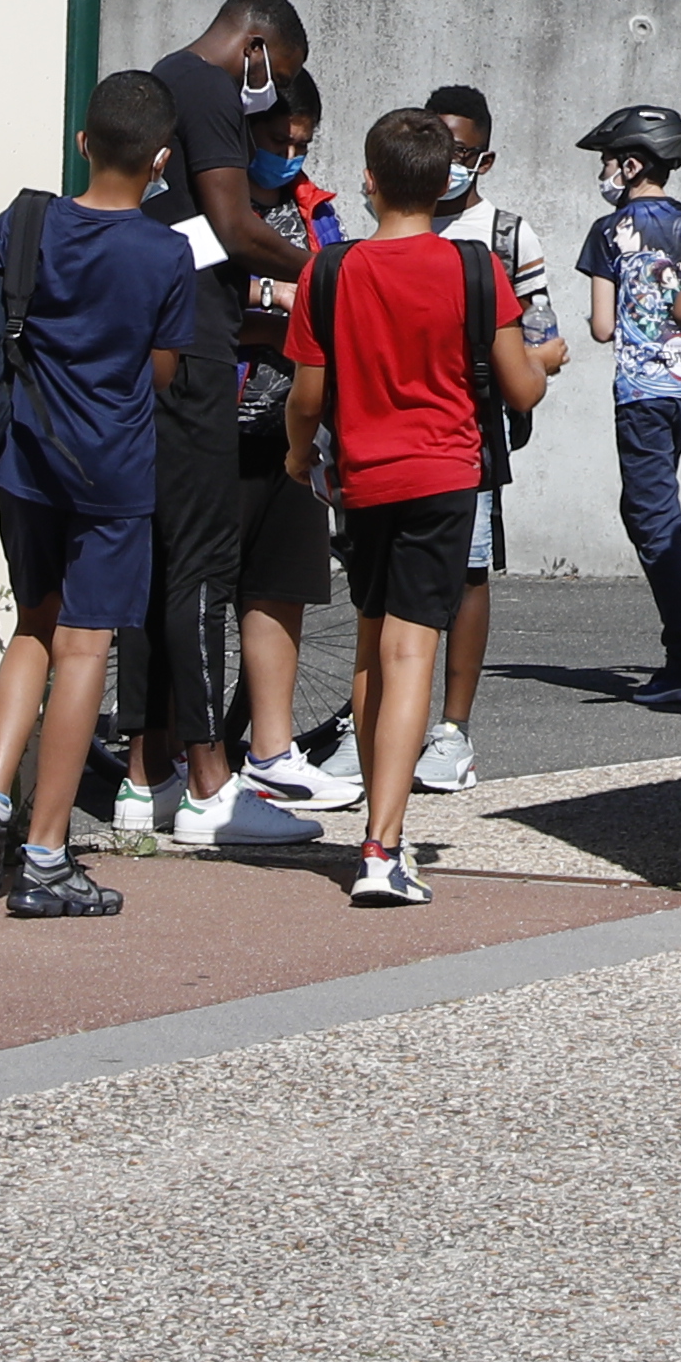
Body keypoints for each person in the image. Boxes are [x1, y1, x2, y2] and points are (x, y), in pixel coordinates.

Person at [0, 68, 202, 915]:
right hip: (114, 474)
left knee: (33, 628)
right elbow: (161, 372)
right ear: (160, 161)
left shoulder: (26, 222)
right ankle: (46, 855)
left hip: (25, 464)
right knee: (87, 647)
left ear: (84, 142)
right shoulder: (167, 252)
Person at [290, 106, 554, 909]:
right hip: (442, 477)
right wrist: (539, 357)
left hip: (363, 480)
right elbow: (522, 386)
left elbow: (307, 397)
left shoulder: (328, 271)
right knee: (411, 654)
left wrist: (301, 455)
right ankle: (384, 845)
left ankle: (378, 820)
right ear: (447, 184)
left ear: (369, 181)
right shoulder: (477, 271)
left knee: (373, 648)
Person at [119, 0, 309, 846]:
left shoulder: (169, 78)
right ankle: (208, 786)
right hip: (193, 347)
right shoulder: (209, 87)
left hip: (169, 338)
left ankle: (144, 774)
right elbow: (234, 226)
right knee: (199, 563)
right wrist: (328, 271)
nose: (273, 99)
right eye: (281, 76)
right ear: (257, 43)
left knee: (158, 564)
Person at [210, 67, 355, 843]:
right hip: (214, 425)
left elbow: (334, 303)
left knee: (278, 590)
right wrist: (277, 311)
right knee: (202, 591)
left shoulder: (316, 211)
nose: (291, 154)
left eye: (303, 142)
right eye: (276, 140)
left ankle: (272, 748)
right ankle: (189, 755)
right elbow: (210, 309)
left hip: (296, 431)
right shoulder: (217, 205)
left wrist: (272, 312)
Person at [416, 86, 568, 791]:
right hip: (398, 420)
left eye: (464, 153)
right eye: (439, 147)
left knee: (468, 572)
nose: (451, 163)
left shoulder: (506, 235)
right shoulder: (395, 220)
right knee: (390, 579)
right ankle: (382, 725)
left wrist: (497, 364)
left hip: (470, 423)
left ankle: (454, 730)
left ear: (486, 159)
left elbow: (549, 342)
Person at [580, 101, 681, 713]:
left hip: (643, 395)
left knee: (652, 520)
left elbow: (604, 328)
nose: (606, 172)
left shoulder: (606, 233)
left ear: (632, 164)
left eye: (610, 162)